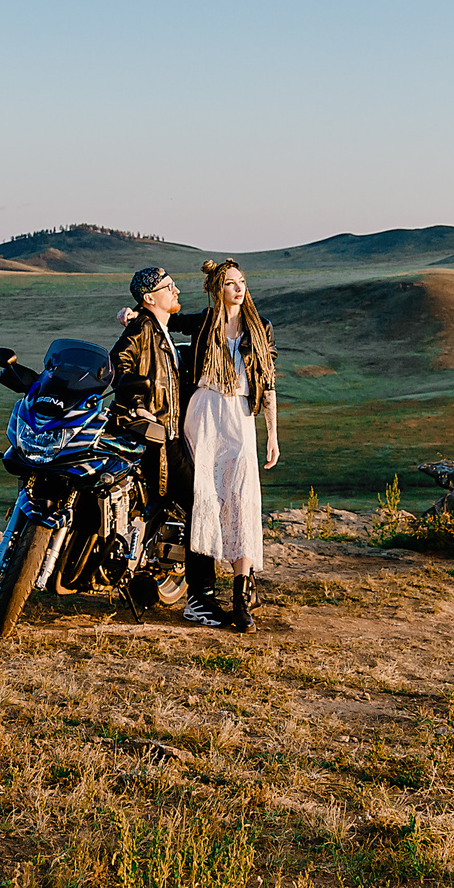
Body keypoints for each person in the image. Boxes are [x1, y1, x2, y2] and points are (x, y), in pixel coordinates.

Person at [180, 258, 278, 630]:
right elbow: (160, 322)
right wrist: (131, 316)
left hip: (240, 415)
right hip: (204, 410)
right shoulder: (204, 323)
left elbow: (267, 383)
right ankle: (201, 592)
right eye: (230, 283)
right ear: (216, 289)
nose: (239, 288)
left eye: (242, 282)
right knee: (204, 497)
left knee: (241, 498)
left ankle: (240, 595)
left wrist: (272, 435)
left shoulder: (260, 328)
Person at [108, 266, 187, 546]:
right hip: (157, 433)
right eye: (169, 287)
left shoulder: (159, 330)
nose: (176, 290)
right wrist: (137, 403)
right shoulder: (143, 326)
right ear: (150, 298)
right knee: (193, 496)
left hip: (170, 432)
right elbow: (119, 361)